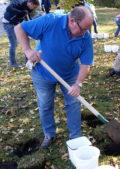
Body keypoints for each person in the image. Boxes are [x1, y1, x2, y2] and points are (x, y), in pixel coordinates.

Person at [14, 6, 94, 148]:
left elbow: (86, 64)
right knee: (45, 104)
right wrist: (27, 50)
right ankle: (49, 134)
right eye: (82, 29)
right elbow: (19, 28)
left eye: (87, 29)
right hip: (42, 72)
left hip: (69, 74)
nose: (85, 33)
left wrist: (78, 84)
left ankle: (75, 137)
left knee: (73, 103)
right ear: (72, 21)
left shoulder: (85, 37)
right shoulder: (51, 21)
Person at [2, 0, 39, 67]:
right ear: (30, 3)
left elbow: (27, 18)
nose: (33, 9)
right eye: (33, 7)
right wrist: (20, 12)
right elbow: (8, 8)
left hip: (17, 23)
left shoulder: (28, 9)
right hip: (8, 23)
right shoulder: (19, 3)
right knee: (14, 44)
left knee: (25, 40)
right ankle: (13, 63)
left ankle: (28, 60)